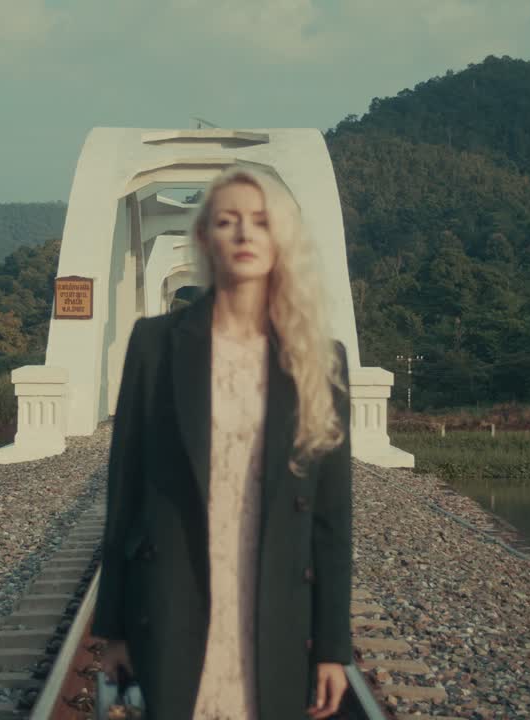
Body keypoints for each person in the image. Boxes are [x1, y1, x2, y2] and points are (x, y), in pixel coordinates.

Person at [91, 164, 354, 719]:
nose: (244, 234)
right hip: (174, 596)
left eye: (260, 221)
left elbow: (332, 518)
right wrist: (112, 628)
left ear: (281, 236)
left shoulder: (319, 360)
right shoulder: (156, 344)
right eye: (227, 221)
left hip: (273, 603)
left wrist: (332, 647)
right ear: (205, 238)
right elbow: (125, 490)